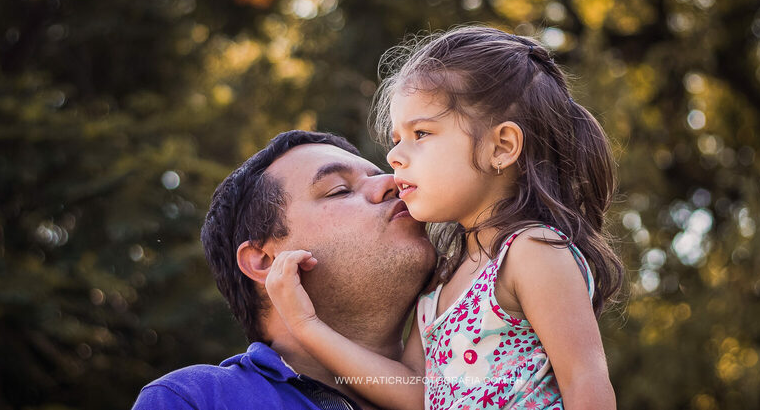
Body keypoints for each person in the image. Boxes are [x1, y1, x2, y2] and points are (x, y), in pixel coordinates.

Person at [266, 26, 624, 410]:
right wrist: (307, 328)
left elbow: (586, 380)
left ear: (501, 147)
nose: (394, 157)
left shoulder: (532, 252)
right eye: (396, 138)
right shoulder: (440, 285)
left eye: (420, 133)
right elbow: (415, 394)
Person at [132, 130, 437, 410]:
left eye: (381, 174)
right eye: (340, 190)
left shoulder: (472, 376)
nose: (393, 183)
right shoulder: (196, 400)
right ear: (264, 260)